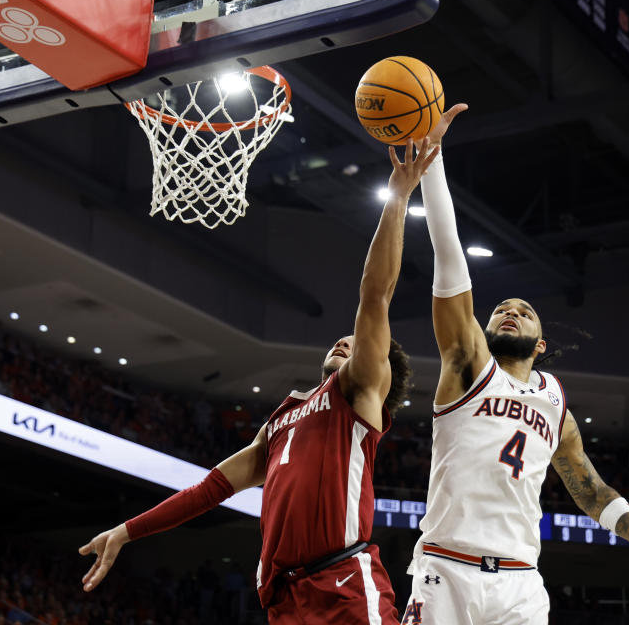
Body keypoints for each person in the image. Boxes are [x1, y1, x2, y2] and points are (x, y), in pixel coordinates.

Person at [78, 138, 441, 624]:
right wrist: (127, 530)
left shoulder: (357, 397)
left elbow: (375, 296)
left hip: (342, 586)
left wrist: (398, 196)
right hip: (284, 600)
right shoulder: (282, 418)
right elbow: (208, 490)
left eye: (354, 343)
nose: (344, 343)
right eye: (340, 339)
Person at [399, 105, 629, 625]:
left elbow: (590, 491)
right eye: (501, 309)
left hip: (522, 583)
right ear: (483, 330)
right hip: (447, 571)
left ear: (541, 344)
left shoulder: (556, 405)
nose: (510, 311)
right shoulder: (466, 366)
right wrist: (433, 163)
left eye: (524, 312)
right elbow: (448, 253)